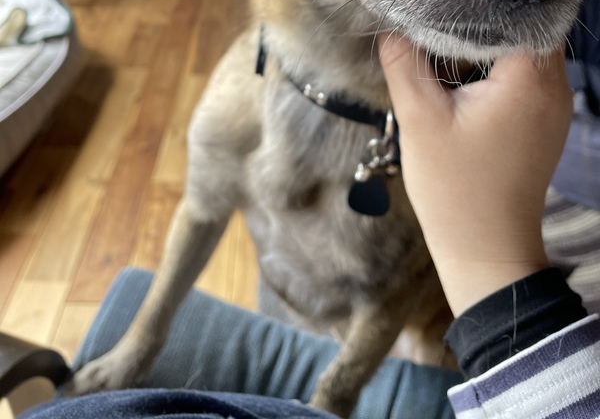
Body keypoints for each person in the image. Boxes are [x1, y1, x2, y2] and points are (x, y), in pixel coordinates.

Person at [22, 39, 600, 418]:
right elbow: (200, 210)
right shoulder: (234, 101)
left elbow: (395, 297)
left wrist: (332, 401)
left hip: (431, 325)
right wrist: (142, 343)